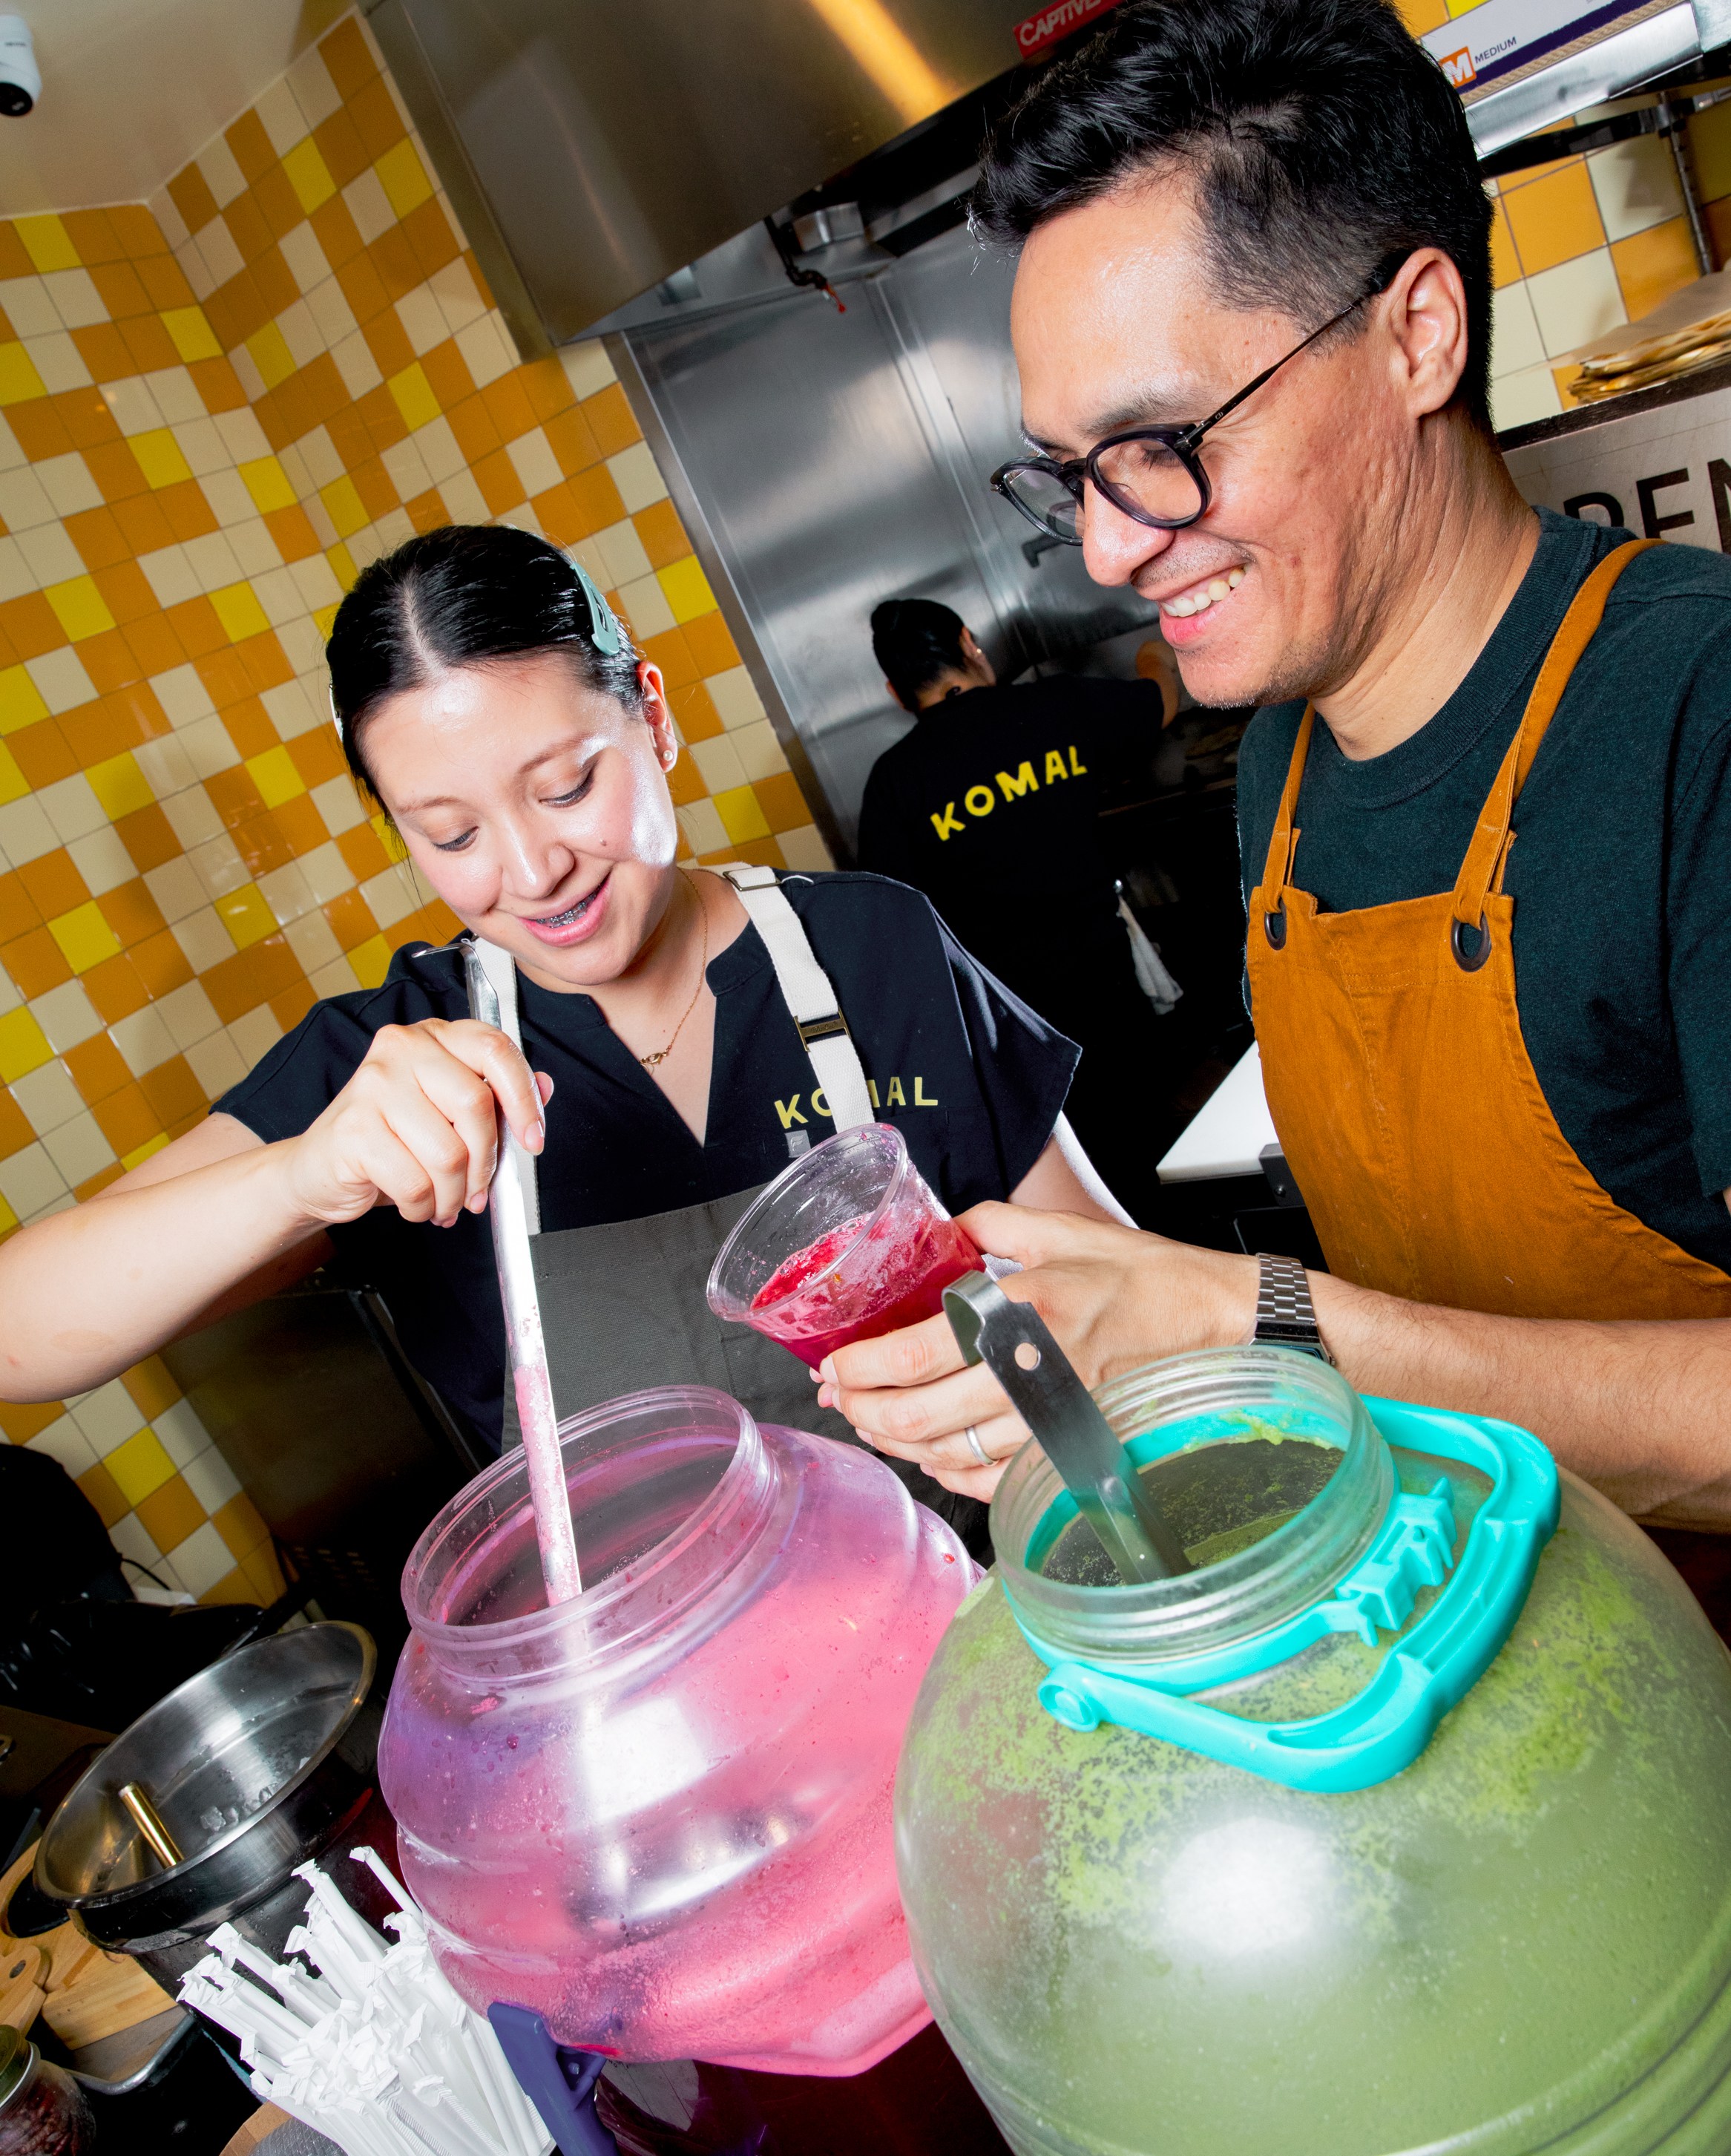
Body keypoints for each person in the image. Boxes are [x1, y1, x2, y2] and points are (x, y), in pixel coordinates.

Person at [816, 0, 1731, 1527]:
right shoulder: (1282, 766)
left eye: (1161, 441)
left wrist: (1255, 1328)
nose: (1108, 545)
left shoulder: (1689, 723)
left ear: (1413, 333)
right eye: (1068, 475)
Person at [0, 525, 1129, 1555]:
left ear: (653, 712)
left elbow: (1116, 1285)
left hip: (999, 1597)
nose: (533, 874)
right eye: (450, 835)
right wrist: (306, 1171)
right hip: (679, 1712)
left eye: (567, 785)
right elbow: (19, 1341)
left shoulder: (872, 941)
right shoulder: (396, 1057)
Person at [856, 597, 1174, 1217]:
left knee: (1087, 1173)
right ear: (969, 645)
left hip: (1009, 1026)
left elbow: (891, 920)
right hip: (1106, 981)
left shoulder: (894, 782)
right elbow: (1157, 703)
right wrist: (1155, 653)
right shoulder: (1051, 706)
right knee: (1153, 1139)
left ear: (897, 692)